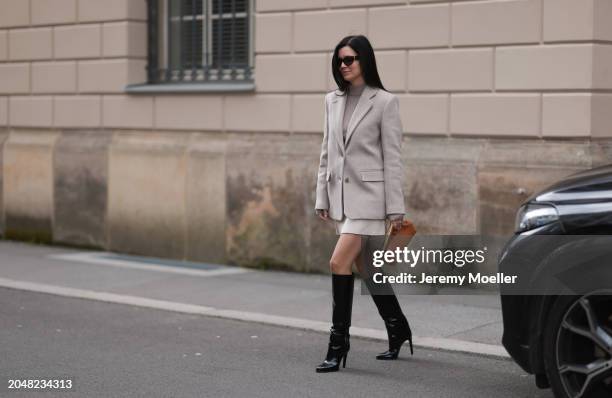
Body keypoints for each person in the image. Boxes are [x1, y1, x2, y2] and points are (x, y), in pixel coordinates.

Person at [314, 35, 413, 373]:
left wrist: (395, 209)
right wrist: (321, 195)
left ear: (365, 61)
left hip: (371, 200)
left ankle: (338, 343)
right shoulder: (331, 100)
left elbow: (393, 158)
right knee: (369, 269)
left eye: (351, 59)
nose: (344, 65)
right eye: (340, 60)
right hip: (342, 198)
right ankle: (398, 327)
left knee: (338, 262)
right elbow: (327, 151)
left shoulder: (385, 102)